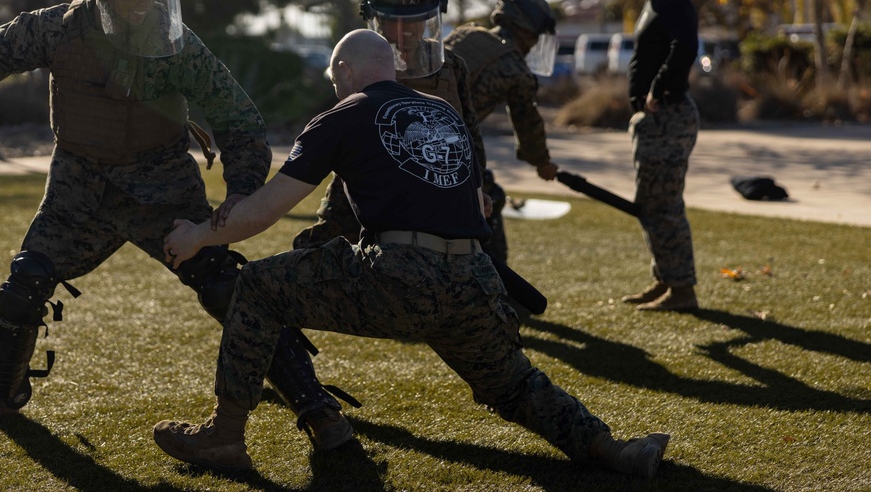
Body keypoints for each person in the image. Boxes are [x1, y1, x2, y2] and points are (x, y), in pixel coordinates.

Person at [152, 29, 670, 478]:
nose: (335, 88)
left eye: (336, 79)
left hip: (400, 276)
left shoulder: (344, 114)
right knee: (513, 384)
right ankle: (614, 449)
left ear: (344, 69)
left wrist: (198, 236)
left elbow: (264, 210)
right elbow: (474, 201)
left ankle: (224, 436)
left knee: (258, 288)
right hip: (474, 278)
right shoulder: (442, 112)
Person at [0, 0, 353, 449]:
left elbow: (239, 118)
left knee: (225, 284)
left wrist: (241, 190)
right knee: (25, 284)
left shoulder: (175, 41)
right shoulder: (55, 28)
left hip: (161, 187)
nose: (141, 7)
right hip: (79, 189)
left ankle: (318, 408)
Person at [291, 0, 488, 250]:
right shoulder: (359, 64)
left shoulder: (452, 67)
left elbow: (469, 130)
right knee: (321, 245)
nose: (405, 31)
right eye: (395, 22)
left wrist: (476, 187)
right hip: (369, 175)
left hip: (437, 178)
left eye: (414, 21)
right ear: (376, 22)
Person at [616, 0, 700, 311]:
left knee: (662, 205)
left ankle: (682, 290)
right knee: (652, 204)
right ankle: (666, 279)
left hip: (668, 117)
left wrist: (660, 87)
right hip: (655, 121)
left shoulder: (672, 1)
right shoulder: (654, 4)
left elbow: (685, 46)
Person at [446, 0, 560, 264]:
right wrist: (543, 163)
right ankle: (498, 288)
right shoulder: (513, 66)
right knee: (490, 197)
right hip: (448, 147)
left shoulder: (466, 35)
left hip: (410, 132)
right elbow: (527, 123)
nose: (534, 45)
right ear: (528, 30)